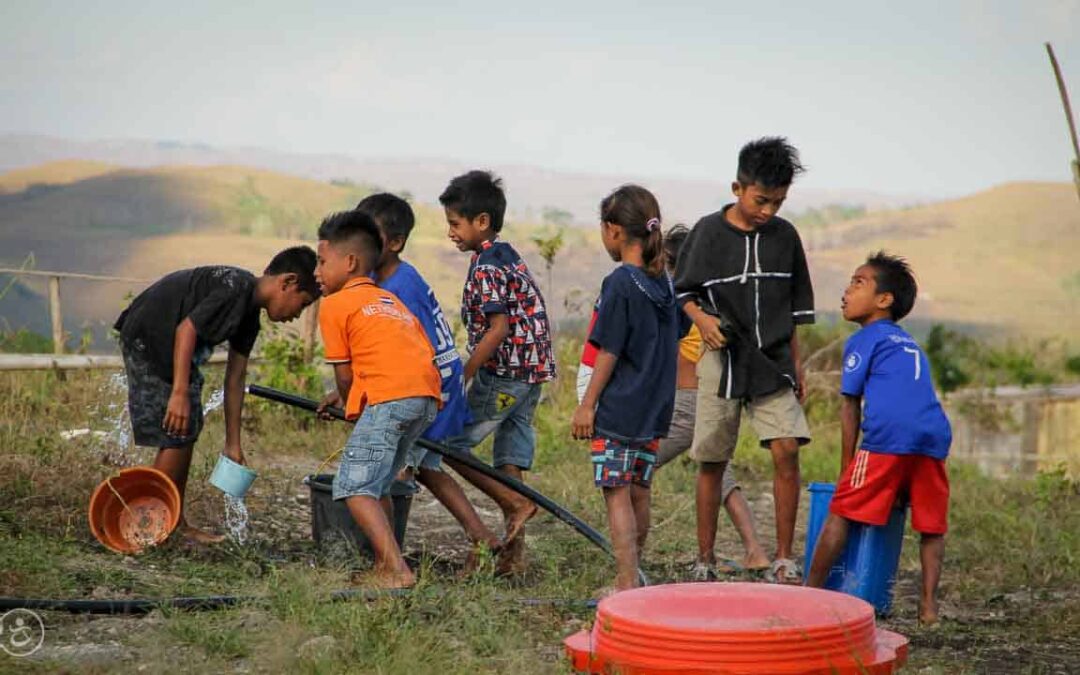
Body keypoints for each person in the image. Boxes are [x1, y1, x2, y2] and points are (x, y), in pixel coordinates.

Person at [673, 137, 815, 584]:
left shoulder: (785, 238)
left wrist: (798, 367)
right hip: (721, 359)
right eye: (761, 200)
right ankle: (705, 559)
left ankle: (785, 558)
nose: (769, 211)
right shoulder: (707, 233)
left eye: (778, 202)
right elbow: (683, 292)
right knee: (712, 459)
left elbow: (794, 314)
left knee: (787, 447)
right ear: (737, 188)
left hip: (772, 363)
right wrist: (701, 320)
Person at [114, 248, 319, 543]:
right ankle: (145, 526)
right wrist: (179, 392)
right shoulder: (236, 288)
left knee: (187, 427)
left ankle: (173, 522)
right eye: (303, 303)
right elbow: (186, 330)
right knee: (177, 431)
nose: (297, 314)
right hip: (151, 333)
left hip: (169, 340)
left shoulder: (249, 318)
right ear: (287, 282)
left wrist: (232, 443)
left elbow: (235, 379)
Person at [357, 192, 502, 566]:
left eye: (368, 241)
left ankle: (388, 561)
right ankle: (481, 536)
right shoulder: (385, 278)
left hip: (432, 383)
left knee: (398, 468)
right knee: (427, 465)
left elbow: (409, 351)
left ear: (394, 243)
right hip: (436, 380)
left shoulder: (399, 288)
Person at [807, 252, 951, 626]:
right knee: (931, 525)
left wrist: (846, 468)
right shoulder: (907, 343)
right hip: (934, 436)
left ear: (884, 300)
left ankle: (809, 593)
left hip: (888, 437)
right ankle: (928, 608)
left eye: (858, 283)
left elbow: (850, 406)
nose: (846, 291)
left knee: (841, 509)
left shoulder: (865, 340)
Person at [315, 209, 442, 589]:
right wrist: (351, 398)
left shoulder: (335, 305)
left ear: (350, 262)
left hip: (392, 398)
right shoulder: (388, 301)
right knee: (381, 485)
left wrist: (351, 403)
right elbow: (396, 354)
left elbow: (344, 374)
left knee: (353, 487)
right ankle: (387, 562)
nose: (316, 273)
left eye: (321, 262)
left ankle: (397, 571)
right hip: (425, 397)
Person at [440, 170, 555, 574]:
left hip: (504, 374)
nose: (450, 232)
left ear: (482, 221)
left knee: (449, 445)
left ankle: (515, 503)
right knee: (510, 459)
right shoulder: (506, 254)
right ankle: (513, 558)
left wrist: (464, 374)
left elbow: (499, 328)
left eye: (455, 223)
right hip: (531, 375)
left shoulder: (487, 266)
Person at [571, 184, 680, 592]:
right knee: (639, 491)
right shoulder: (665, 284)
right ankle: (636, 574)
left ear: (614, 230)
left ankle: (625, 583)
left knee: (616, 494)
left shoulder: (620, 282)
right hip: (654, 412)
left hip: (619, 409)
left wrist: (587, 405)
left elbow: (608, 350)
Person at [656, 225, 770, 579]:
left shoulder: (681, 301)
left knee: (634, 465)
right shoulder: (710, 301)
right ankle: (754, 550)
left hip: (688, 403)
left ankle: (627, 547)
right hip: (707, 396)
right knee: (721, 475)